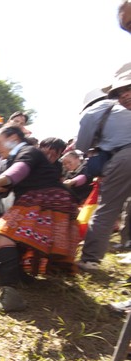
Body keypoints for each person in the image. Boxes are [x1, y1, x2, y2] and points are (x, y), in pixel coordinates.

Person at [0, 126, 79, 313]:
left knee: (2, 234)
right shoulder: (11, 160)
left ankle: (10, 294)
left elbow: (20, 169)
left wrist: (2, 178)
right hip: (38, 201)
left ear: (12, 137)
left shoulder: (29, 151)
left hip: (47, 201)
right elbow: (8, 188)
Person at [76, 63, 131, 271]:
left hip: (124, 157)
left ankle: (90, 259)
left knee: (107, 208)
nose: (124, 96)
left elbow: (82, 146)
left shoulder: (95, 111)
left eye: (128, 88)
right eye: (120, 92)